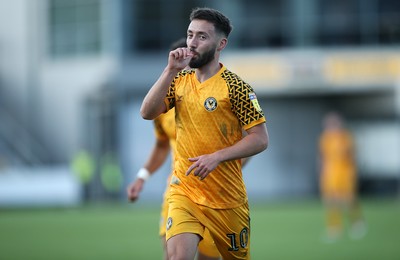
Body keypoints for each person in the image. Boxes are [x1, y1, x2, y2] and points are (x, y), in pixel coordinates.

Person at [140, 7, 269, 260]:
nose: (192, 42)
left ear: (221, 44)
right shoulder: (179, 80)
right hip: (184, 190)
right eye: (190, 35)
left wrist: (217, 157)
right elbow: (147, 112)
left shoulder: (236, 87)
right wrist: (169, 71)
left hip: (226, 199)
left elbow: (260, 138)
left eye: (202, 37)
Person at [127, 38, 222, 260]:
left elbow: (247, 141)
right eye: (176, 64)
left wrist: (230, 168)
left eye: (186, 63)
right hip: (177, 190)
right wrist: (142, 177)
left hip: (214, 194)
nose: (182, 70)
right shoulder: (162, 106)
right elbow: (161, 145)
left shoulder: (219, 99)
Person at [318, 111, 367, 242]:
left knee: (349, 200)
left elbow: (352, 155)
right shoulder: (325, 138)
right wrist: (322, 172)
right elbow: (323, 157)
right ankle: (334, 228)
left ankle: (357, 224)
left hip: (345, 172)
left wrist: (353, 172)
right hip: (330, 173)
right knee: (331, 201)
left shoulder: (345, 137)